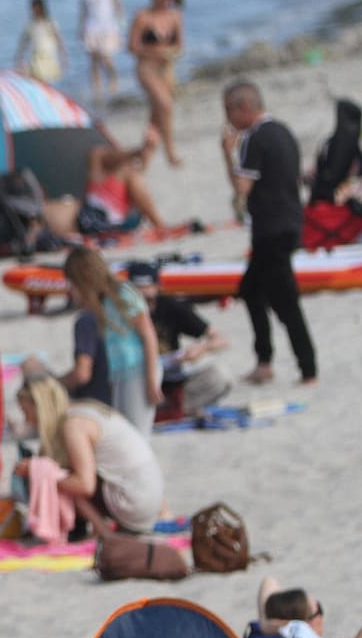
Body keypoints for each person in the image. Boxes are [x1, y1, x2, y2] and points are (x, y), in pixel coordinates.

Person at [222, 81, 317, 386]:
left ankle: (307, 368)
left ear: (244, 108)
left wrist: (228, 153)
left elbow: (241, 189)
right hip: (289, 221)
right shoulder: (283, 132)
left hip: (272, 229)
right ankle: (265, 361)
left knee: (284, 299)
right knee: (251, 289)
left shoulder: (255, 138)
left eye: (229, 111)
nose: (228, 120)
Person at [14, 373, 164, 534]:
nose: (27, 420)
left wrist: (36, 472)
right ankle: (99, 530)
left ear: (40, 408)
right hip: (149, 497)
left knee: (63, 476)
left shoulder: (74, 425)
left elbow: (84, 485)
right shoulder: (83, 411)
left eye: (26, 412)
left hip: (135, 502)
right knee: (64, 472)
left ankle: (102, 532)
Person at [60, 248, 162, 433]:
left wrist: (151, 379)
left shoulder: (122, 292)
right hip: (119, 373)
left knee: (137, 432)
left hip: (138, 369)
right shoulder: (100, 302)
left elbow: (148, 336)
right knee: (125, 430)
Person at [125, 261, 233, 417]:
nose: (144, 306)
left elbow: (221, 338)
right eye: (137, 298)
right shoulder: (119, 312)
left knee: (220, 375)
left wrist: (202, 348)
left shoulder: (169, 306)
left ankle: (171, 409)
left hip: (171, 378)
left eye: (149, 299)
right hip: (136, 380)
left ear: (157, 287)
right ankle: (165, 410)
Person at [128, 0, 185, 167]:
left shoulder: (175, 16)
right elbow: (132, 47)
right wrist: (155, 53)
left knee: (156, 114)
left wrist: (170, 53)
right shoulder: (142, 17)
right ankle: (170, 153)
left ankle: (144, 156)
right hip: (147, 68)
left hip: (167, 68)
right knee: (165, 106)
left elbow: (180, 46)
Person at [78, 0, 124, 106]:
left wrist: (121, 21)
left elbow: (117, 3)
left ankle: (113, 77)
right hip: (91, 28)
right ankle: (96, 92)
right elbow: (84, 10)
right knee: (93, 61)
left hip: (108, 27)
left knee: (105, 57)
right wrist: (81, 27)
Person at [16, 0, 68, 84]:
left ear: (42, 8)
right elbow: (23, 43)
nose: (35, 11)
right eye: (33, 8)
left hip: (49, 57)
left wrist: (63, 56)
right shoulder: (30, 24)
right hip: (36, 57)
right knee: (37, 81)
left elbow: (59, 40)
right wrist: (19, 58)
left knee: (46, 81)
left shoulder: (50, 23)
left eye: (37, 8)